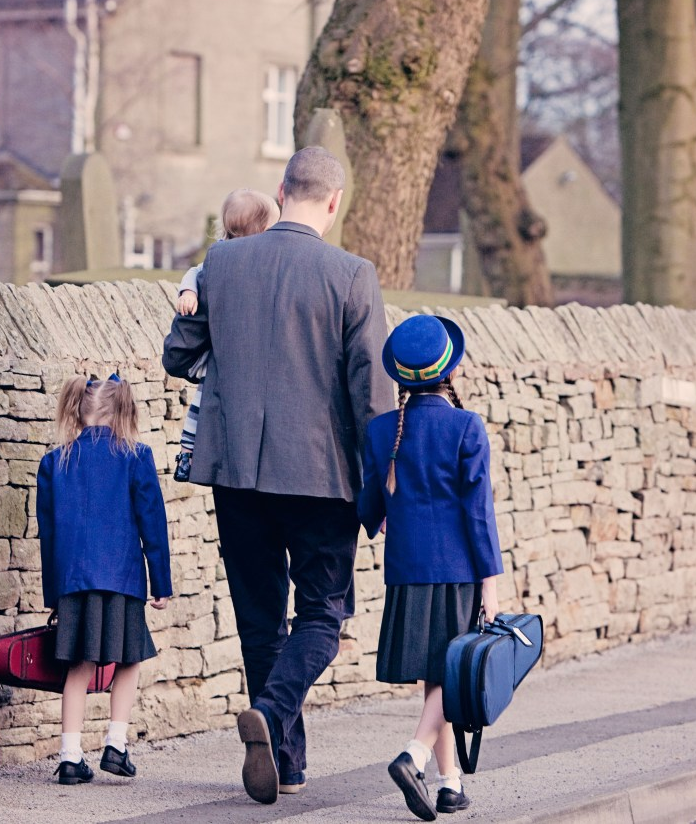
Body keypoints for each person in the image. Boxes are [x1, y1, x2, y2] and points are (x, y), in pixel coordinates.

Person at [162, 146, 396, 804]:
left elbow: (179, 357)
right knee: (323, 615)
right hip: (321, 476)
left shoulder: (222, 261)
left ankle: (287, 766)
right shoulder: (351, 274)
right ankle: (272, 712)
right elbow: (372, 394)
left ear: (279, 188)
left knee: (260, 619)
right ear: (333, 201)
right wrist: (378, 486)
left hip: (234, 469)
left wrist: (192, 308)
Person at [357, 314, 504, 821]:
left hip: (405, 571)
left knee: (437, 677)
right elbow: (477, 512)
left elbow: (368, 505)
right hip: (458, 571)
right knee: (449, 673)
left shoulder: (381, 431)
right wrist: (491, 581)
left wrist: (380, 520)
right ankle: (414, 754)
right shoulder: (466, 426)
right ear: (452, 372)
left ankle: (450, 784)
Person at [36, 373, 173, 785]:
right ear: (122, 412)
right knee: (129, 659)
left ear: (77, 412)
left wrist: (53, 594)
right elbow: (153, 523)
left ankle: (70, 757)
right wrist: (161, 583)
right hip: (123, 577)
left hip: (73, 582)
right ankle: (116, 743)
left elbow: (48, 534)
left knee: (79, 666)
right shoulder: (136, 457)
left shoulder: (54, 462)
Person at [172, 189, 281, 482]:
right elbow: (195, 272)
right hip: (221, 348)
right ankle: (188, 451)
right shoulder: (219, 258)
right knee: (207, 392)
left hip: (238, 345)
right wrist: (189, 291)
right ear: (262, 230)